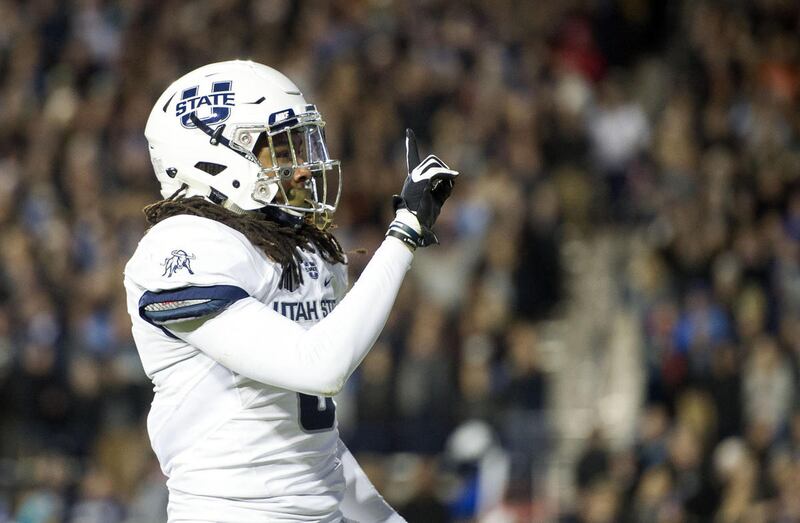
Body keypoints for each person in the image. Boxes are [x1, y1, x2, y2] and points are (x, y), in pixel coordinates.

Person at [123, 60, 458, 522]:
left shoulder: (303, 250)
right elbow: (320, 366)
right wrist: (404, 232)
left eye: (301, 144)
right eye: (281, 150)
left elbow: (316, 451)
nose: (302, 169)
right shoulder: (183, 246)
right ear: (214, 154)